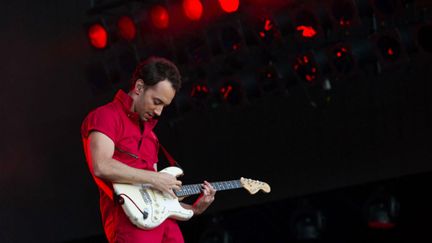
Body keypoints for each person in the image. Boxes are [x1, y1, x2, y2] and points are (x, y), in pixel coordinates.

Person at [81, 56, 216, 243]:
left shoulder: (151, 136)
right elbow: (101, 166)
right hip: (129, 225)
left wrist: (194, 209)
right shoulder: (105, 116)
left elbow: (158, 201)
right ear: (138, 87)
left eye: (164, 106)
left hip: (166, 227)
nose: (159, 112)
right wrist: (155, 177)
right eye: (156, 101)